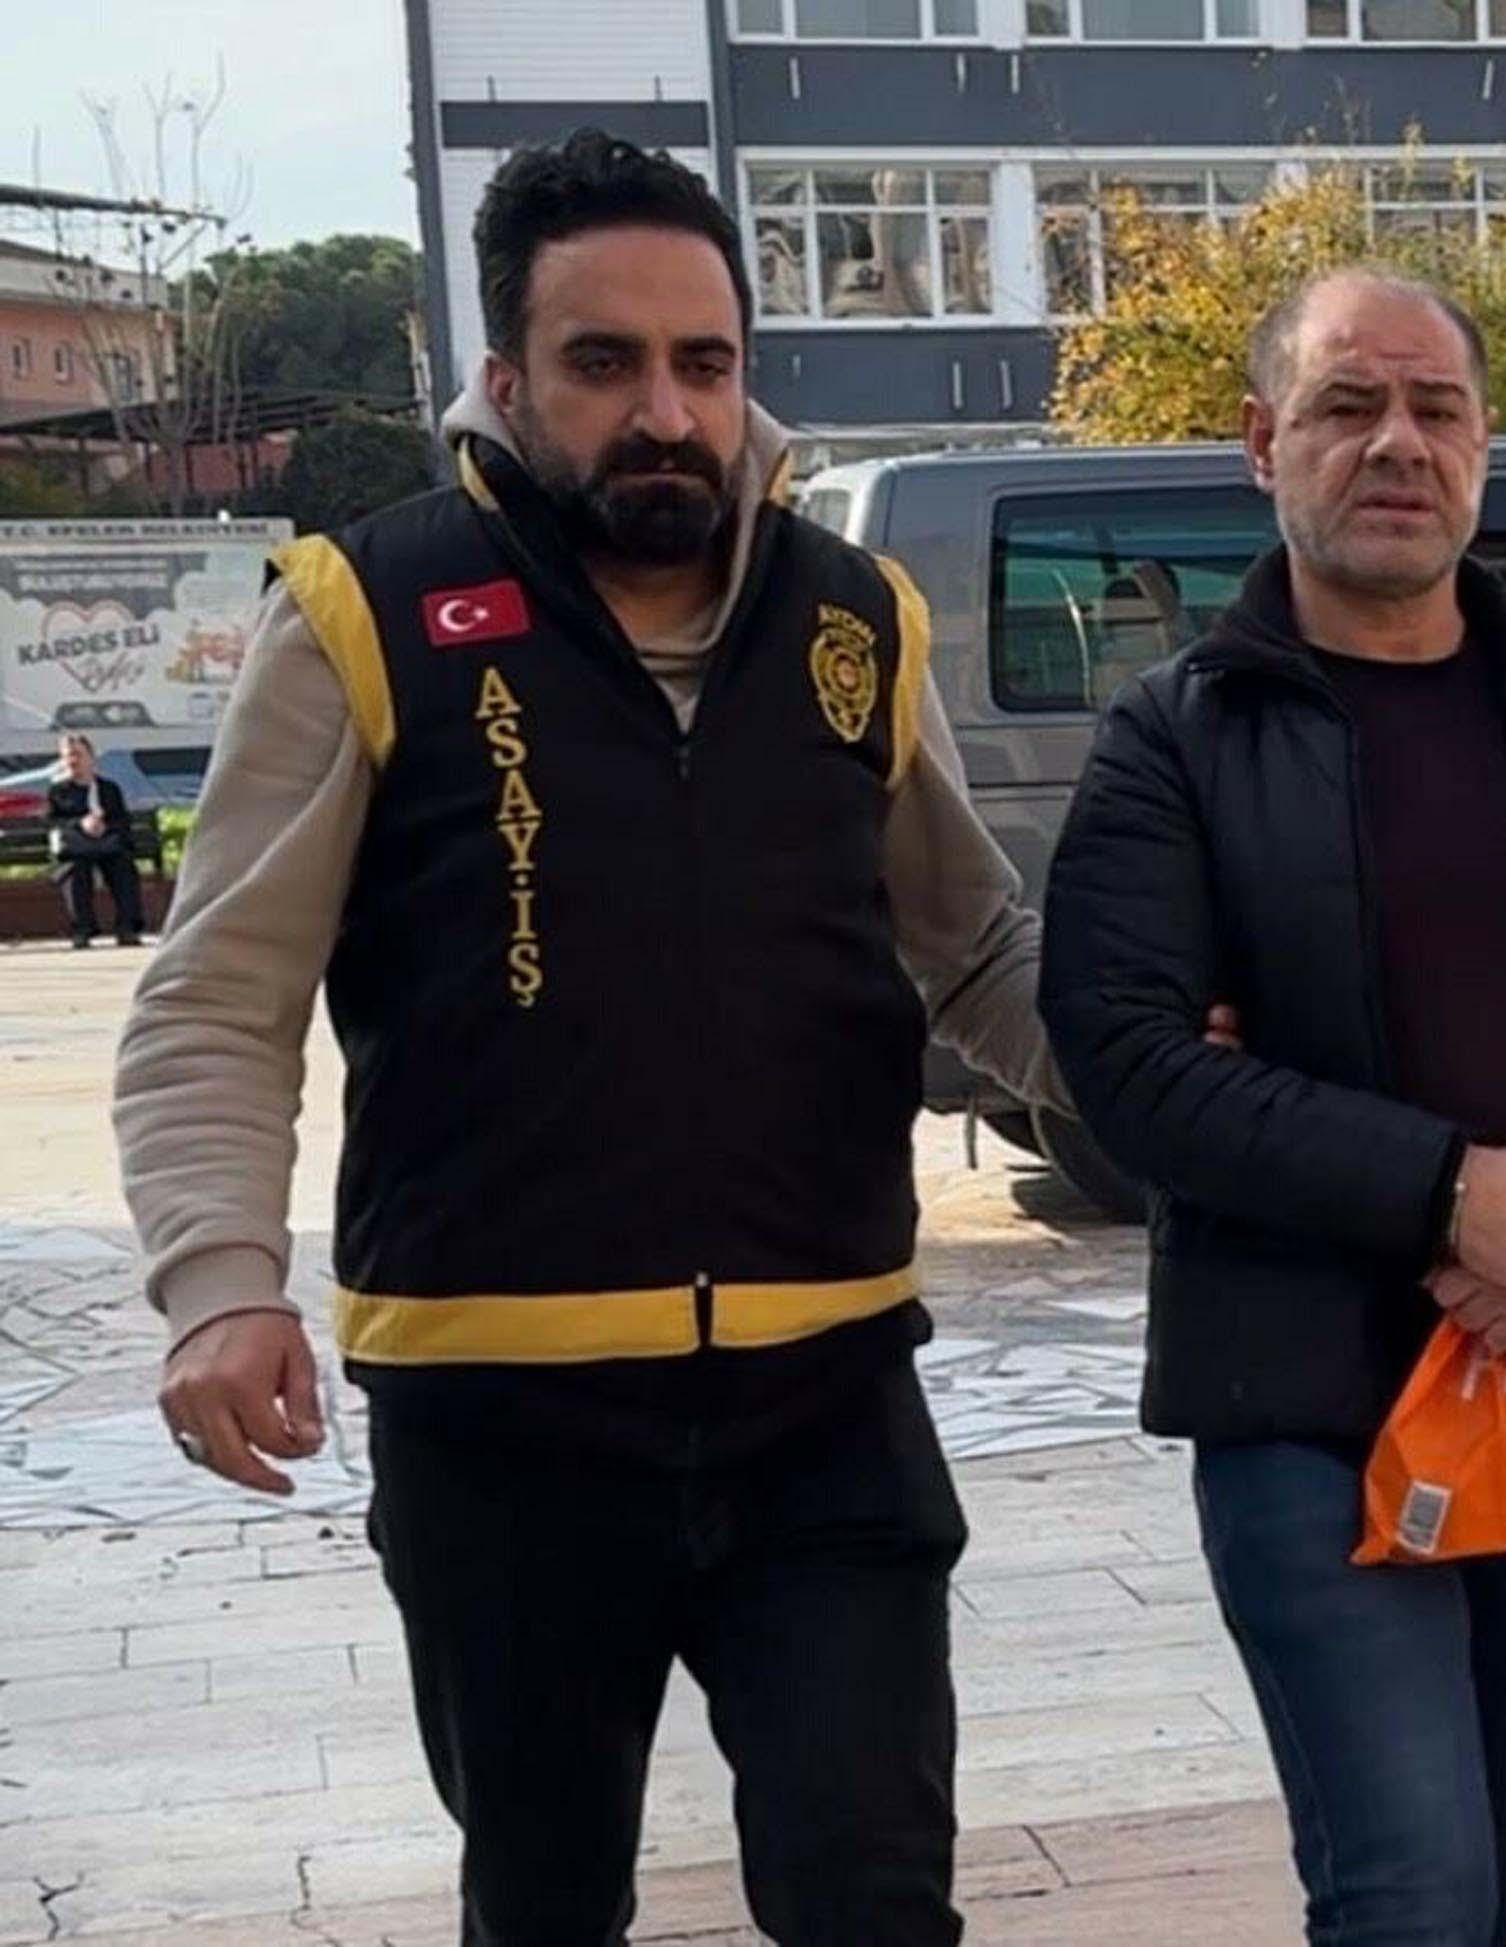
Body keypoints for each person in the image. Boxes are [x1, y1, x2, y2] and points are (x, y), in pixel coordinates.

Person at [111, 131, 1070, 1946]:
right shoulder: (364, 614)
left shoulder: (857, 621)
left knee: (876, 1896)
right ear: (506, 378)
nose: (667, 415)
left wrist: (1204, 1088)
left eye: (705, 363)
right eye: (605, 363)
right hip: (501, 1419)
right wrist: (218, 1282)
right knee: (545, 1905)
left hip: (828, 1398)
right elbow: (219, 997)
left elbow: (980, 953)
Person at [1039, 267, 1506, 1946]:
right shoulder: (1177, 736)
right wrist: (1455, 1196)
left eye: (1436, 408)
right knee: (1411, 1892)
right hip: (1308, 1400)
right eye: (1347, 404)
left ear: (1482, 444)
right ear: (1262, 442)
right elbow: (1128, 1059)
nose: (1397, 442)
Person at [46, 733, 145, 947]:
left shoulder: (109, 789)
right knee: (74, 871)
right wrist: (80, 824)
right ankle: (83, 929)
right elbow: (54, 823)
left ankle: (127, 928)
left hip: (107, 845)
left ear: (91, 757)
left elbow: (122, 820)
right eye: (68, 756)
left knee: (123, 868)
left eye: (78, 755)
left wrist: (104, 827)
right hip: (76, 849)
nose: (73, 761)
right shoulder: (58, 791)